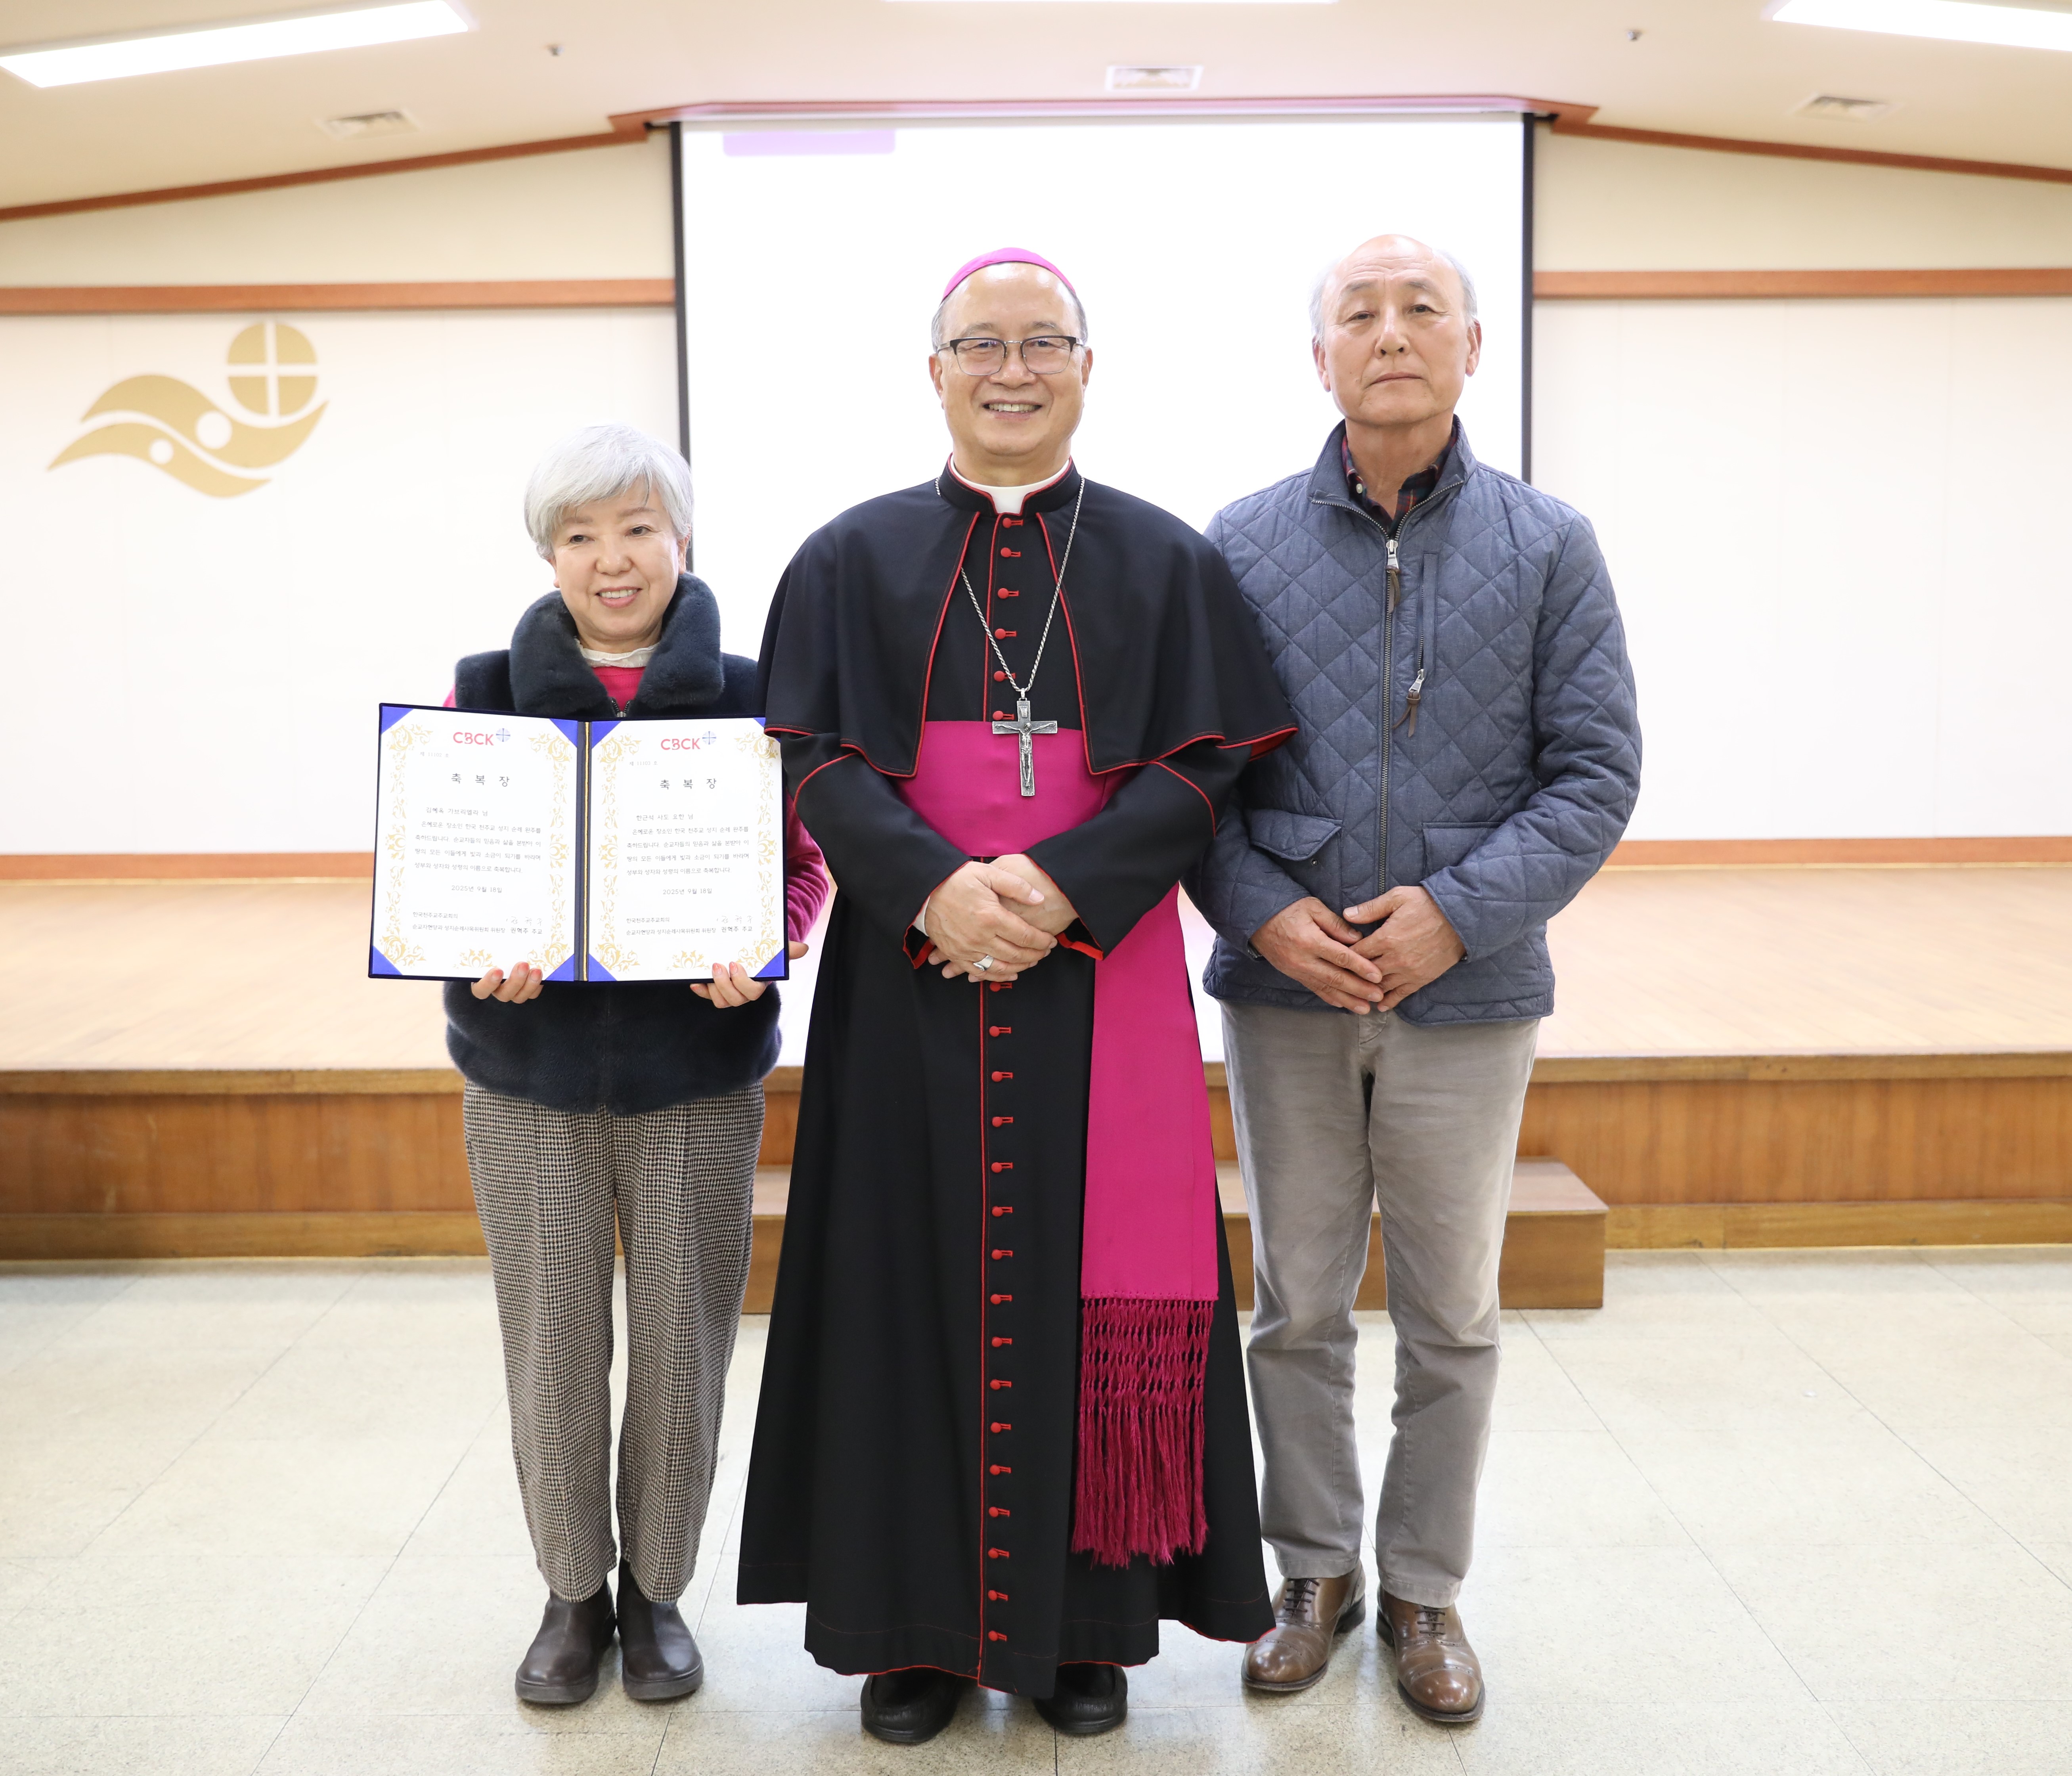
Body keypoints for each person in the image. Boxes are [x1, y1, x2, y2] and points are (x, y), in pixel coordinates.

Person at [738, 250, 1294, 1744]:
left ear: (1085, 368)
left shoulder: (1164, 562)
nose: (1011, 368)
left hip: (1091, 979)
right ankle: (905, 1631)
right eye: (979, 344)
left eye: (1043, 341)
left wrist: (1058, 894)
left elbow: (1204, 765)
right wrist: (933, 887)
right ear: (933, 373)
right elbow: (816, 757)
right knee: (895, 1280)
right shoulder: (850, 559)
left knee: (1082, 1280)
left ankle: (1085, 1628)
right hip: (904, 975)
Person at [1188, 237, 1641, 1722]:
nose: (1390, 335)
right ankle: (1310, 1574)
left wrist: (1454, 915)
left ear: (1472, 345)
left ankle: (1425, 1590)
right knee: (1296, 1304)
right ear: (1316, 357)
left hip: (1470, 992)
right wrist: (1268, 918)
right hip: (1287, 993)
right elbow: (1194, 783)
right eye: (1357, 315)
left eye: (1419, 311)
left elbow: (1591, 776)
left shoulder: (1549, 543)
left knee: (1452, 1314)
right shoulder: (1238, 544)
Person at [446, 424, 828, 1706]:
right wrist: (471, 948)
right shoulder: (484, 691)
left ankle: (658, 1593)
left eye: (636, 530)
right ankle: (569, 1593)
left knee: (682, 1347)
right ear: (549, 554)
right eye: (579, 535)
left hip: (696, 1074)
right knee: (550, 1345)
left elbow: (803, 863)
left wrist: (766, 942)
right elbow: (451, 861)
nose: (612, 561)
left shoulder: (751, 694)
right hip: (525, 1074)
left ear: (682, 540)